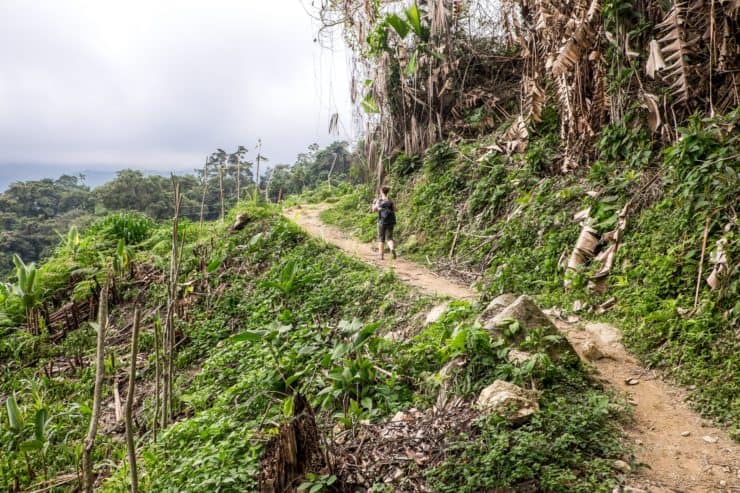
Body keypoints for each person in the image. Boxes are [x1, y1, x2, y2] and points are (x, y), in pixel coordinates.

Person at [371, 186, 397, 260]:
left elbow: (373, 210)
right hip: (391, 221)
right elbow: (395, 209)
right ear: (387, 192)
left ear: (381, 191)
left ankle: (381, 256)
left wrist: (374, 203)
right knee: (389, 238)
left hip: (381, 221)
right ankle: (392, 248)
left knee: (381, 238)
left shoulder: (379, 200)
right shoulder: (391, 200)